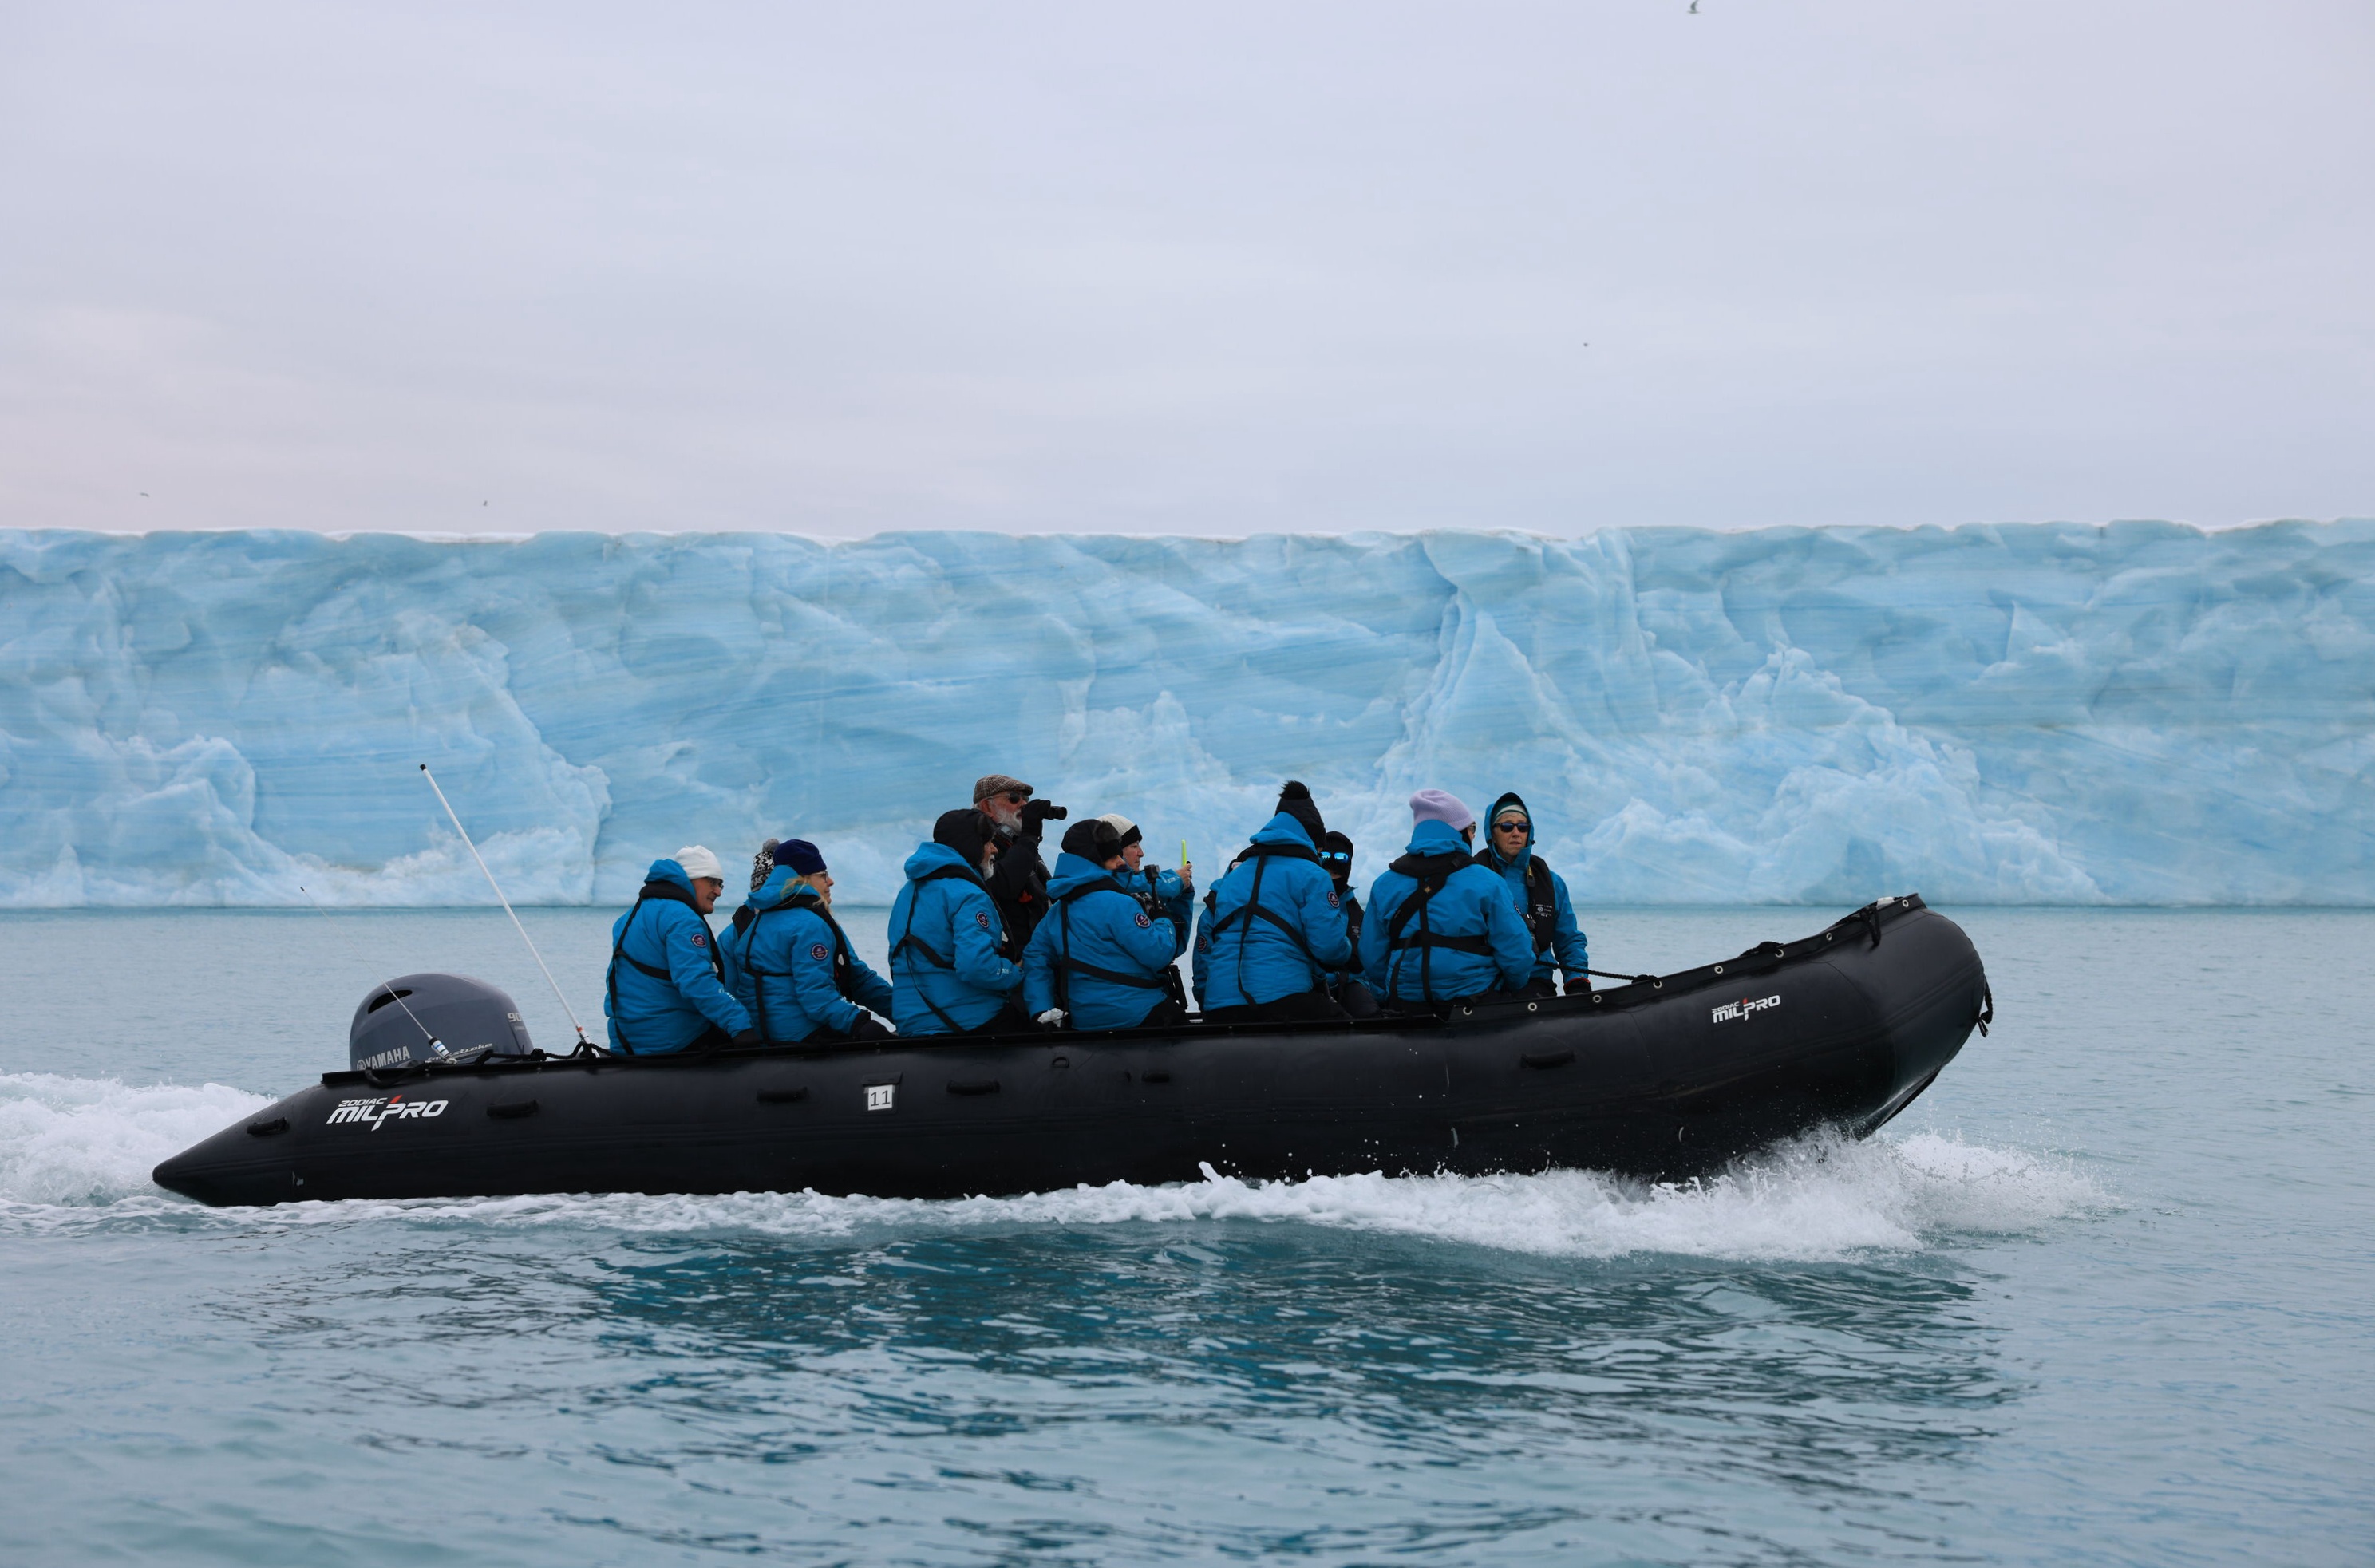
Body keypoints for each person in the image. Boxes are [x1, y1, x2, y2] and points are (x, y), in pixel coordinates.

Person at [1197, 781, 1356, 1023]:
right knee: (1351, 1032)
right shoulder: (1312, 875)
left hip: (1220, 1004)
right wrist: (1349, 953)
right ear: (1311, 840)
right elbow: (1329, 948)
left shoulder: (1232, 878)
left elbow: (1210, 941)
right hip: (1282, 999)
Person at [1361, 792, 1535, 1008]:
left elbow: (1372, 957)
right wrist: (1513, 987)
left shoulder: (1384, 885)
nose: (1473, 837)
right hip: (1477, 1002)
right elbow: (1517, 954)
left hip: (1405, 1004)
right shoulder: (1488, 882)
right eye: (1471, 829)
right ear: (1458, 831)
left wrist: (1393, 990)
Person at [721, 839, 895, 1045]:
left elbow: (730, 993)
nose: (830, 882)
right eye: (823, 875)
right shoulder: (810, 924)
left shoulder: (753, 926)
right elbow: (818, 994)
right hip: (804, 1036)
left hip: (762, 1040)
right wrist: (860, 1023)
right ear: (801, 879)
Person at [1023, 819, 1188, 1031]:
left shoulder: (1058, 912)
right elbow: (1158, 953)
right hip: (1140, 1012)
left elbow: (1036, 959)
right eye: (1113, 856)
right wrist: (1164, 919)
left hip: (1086, 1020)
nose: (1121, 862)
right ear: (1096, 859)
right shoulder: (1120, 904)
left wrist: (1041, 1010)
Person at [603, 845, 755, 1054]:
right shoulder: (682, 919)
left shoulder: (629, 917)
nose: (718, 891)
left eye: (721, 884)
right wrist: (741, 1025)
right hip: (670, 1040)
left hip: (627, 1041)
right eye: (713, 882)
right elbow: (696, 980)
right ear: (692, 879)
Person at [888, 808, 1025, 1035]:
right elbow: (976, 967)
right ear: (972, 844)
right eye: (988, 842)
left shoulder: (907, 893)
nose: (994, 849)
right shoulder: (968, 894)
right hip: (970, 1020)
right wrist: (1016, 972)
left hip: (911, 1022)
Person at [1473, 792, 1591, 997]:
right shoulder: (1472, 880)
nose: (1516, 832)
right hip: (1485, 982)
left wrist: (1576, 981)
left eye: (1523, 827)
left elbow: (1568, 939)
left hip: (1536, 980)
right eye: (1507, 827)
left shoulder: (1551, 882)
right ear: (1492, 833)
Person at [974, 773, 1065, 956]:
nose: (1023, 804)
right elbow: (1001, 886)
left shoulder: (1019, 843)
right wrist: (1030, 835)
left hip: (1038, 955)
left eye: (1026, 798)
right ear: (987, 806)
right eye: (1014, 798)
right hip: (1013, 960)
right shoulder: (978, 844)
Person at [1096, 812, 1194, 954]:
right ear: (1116, 851)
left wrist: (1183, 894)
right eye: (1134, 846)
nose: (1141, 853)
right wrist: (1175, 881)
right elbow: (1159, 953)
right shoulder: (1105, 886)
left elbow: (1174, 948)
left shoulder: (1138, 891)